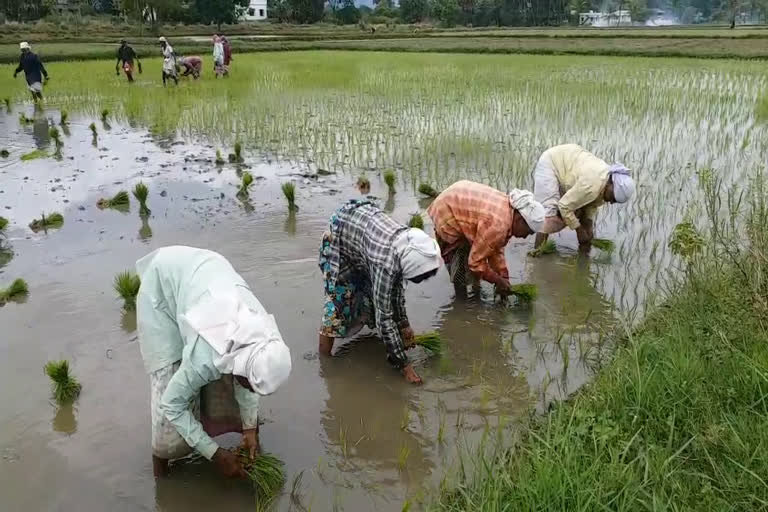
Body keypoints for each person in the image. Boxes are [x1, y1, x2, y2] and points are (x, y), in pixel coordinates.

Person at [135, 246, 292, 478]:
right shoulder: (205, 355)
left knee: (222, 382)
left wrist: (249, 430)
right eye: (248, 384)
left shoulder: (266, 339)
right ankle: (161, 476)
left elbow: (249, 378)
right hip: (161, 290)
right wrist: (216, 455)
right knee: (167, 389)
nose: (249, 390)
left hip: (205, 278)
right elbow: (171, 404)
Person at [318, 199, 442, 385]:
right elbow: (384, 318)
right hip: (340, 238)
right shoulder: (385, 263)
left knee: (375, 297)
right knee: (339, 302)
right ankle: (324, 362)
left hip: (365, 240)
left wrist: (404, 324)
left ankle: (389, 350)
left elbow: (397, 289)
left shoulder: (408, 246)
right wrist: (404, 365)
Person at [427, 180, 545, 295]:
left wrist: (503, 275)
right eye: (528, 232)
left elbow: (495, 248)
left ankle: (475, 290)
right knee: (460, 266)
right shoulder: (498, 225)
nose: (525, 237)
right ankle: (461, 302)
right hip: (447, 212)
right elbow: (475, 263)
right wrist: (497, 280)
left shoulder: (507, 214)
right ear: (520, 220)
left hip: (459, 201)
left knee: (478, 251)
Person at [532, 144, 635, 251]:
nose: (612, 203)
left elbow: (590, 205)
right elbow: (564, 206)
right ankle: (537, 254)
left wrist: (588, 227)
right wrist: (579, 229)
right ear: (610, 185)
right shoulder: (592, 185)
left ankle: (583, 260)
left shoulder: (605, 185)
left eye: (615, 201)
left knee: (581, 217)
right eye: (613, 198)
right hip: (552, 163)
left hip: (569, 169)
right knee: (548, 215)